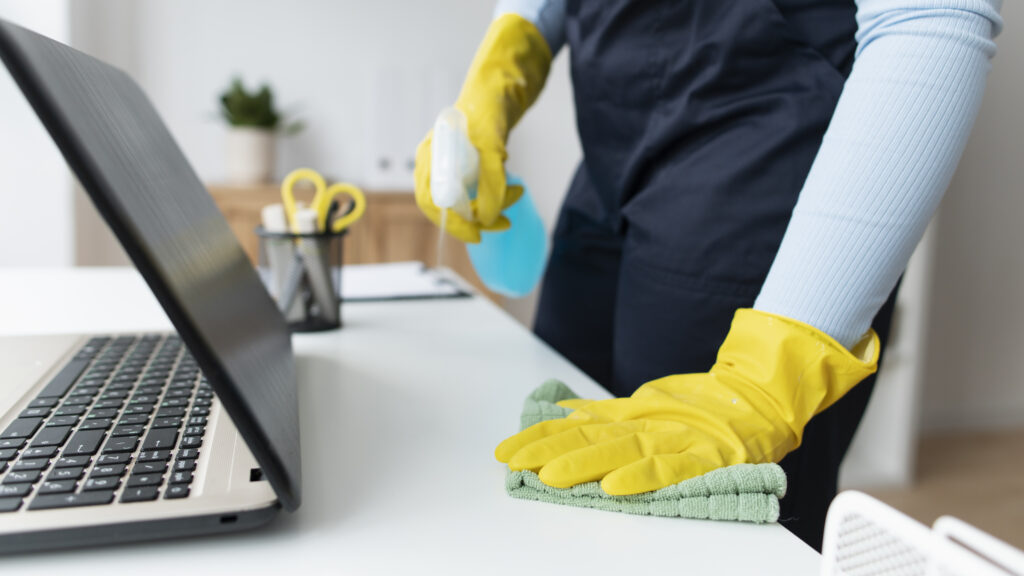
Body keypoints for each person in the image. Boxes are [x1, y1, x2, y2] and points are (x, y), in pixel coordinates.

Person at [414, 0, 1003, 549]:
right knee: (557, 469)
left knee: (702, 528)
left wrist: (767, 381)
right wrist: (508, 54)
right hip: (610, 149)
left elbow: (931, 14)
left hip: (763, 148)